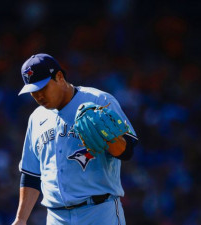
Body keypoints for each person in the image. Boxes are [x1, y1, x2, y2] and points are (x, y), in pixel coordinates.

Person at [12, 53, 138, 225]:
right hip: (56, 217)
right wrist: (20, 219)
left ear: (59, 77)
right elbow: (31, 175)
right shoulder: (36, 118)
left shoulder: (98, 100)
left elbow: (127, 151)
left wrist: (110, 138)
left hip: (99, 212)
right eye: (33, 92)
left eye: (42, 88)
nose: (39, 96)